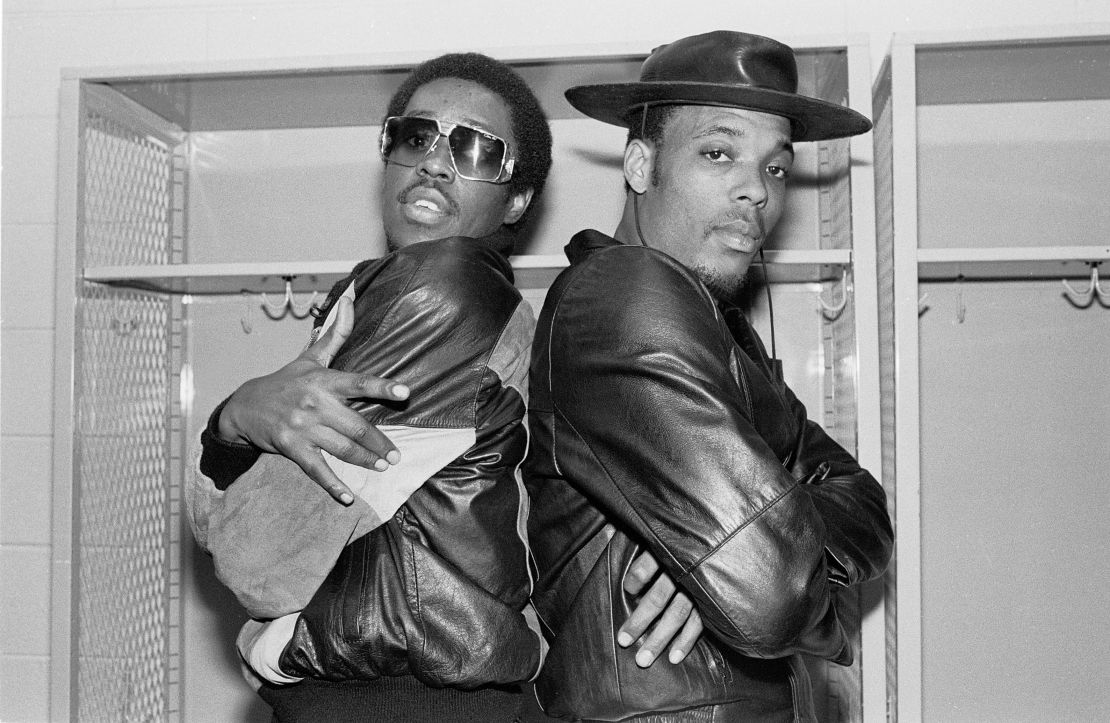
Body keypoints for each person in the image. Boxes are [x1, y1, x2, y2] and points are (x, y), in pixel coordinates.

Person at [186, 52, 697, 723]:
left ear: (515, 198)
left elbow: (257, 559)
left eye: (476, 149)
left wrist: (229, 426)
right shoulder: (390, 297)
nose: (435, 161)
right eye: (416, 135)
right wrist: (240, 420)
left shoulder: (445, 290)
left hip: (403, 703)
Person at [523, 31, 894, 722]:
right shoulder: (623, 292)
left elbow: (867, 503)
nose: (755, 189)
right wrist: (739, 557)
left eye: (775, 167)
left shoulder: (723, 332)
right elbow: (772, 589)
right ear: (641, 164)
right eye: (717, 152)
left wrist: (718, 554)